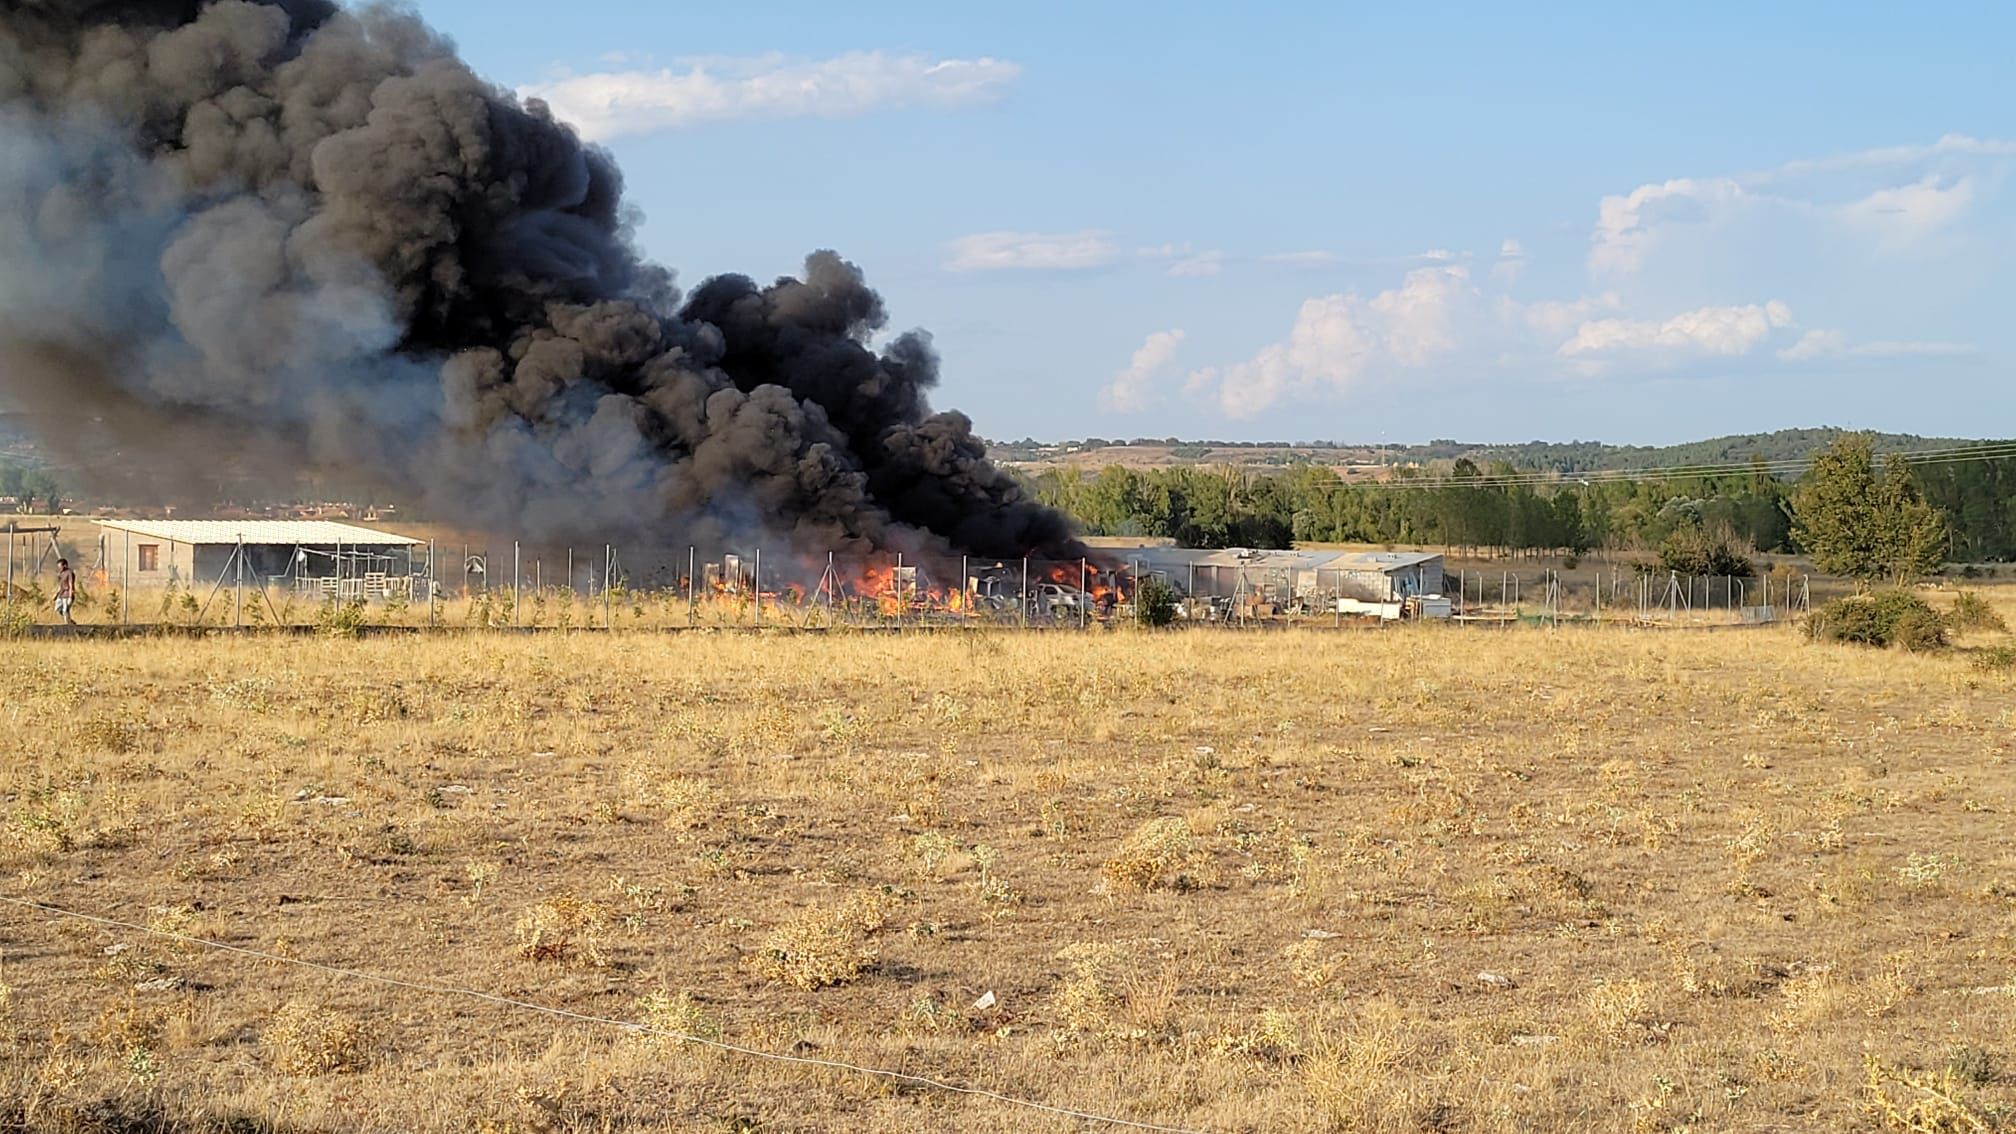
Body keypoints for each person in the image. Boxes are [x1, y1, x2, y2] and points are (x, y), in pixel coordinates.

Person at [54, 557, 76, 624]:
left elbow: (70, 584)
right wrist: (56, 594)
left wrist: (70, 596)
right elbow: (60, 585)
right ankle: (71, 622)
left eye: (60, 566)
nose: (59, 568)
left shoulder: (69, 573)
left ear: (65, 565)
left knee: (65, 610)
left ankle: (68, 625)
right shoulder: (60, 573)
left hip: (67, 594)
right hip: (61, 594)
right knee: (57, 609)